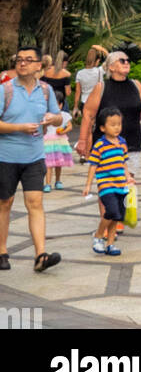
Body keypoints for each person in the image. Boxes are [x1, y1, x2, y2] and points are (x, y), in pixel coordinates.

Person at [0, 43, 63, 272]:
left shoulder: (45, 91)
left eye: (28, 60)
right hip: (5, 157)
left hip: (35, 158)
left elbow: (59, 118)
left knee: (35, 203)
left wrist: (52, 119)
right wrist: (18, 128)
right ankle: (2, 252)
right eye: (19, 60)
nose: (22, 63)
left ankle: (40, 256)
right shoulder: (5, 90)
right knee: (4, 203)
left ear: (39, 65)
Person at [77, 50, 141, 186]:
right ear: (111, 67)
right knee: (107, 187)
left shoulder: (136, 85)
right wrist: (82, 140)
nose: (126, 62)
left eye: (128, 60)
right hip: (106, 146)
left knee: (127, 185)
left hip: (131, 145)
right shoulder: (101, 87)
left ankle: (121, 208)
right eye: (122, 60)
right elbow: (88, 115)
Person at [84, 106, 132, 257]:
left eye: (119, 124)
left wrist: (128, 176)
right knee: (111, 211)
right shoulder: (100, 145)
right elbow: (93, 166)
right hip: (106, 186)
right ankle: (98, 236)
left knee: (117, 216)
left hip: (121, 185)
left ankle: (110, 244)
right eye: (113, 124)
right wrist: (88, 185)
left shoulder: (122, 142)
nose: (117, 127)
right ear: (103, 128)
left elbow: (123, 162)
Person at [39, 53, 74, 190]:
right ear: (65, 61)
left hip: (46, 102)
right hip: (60, 102)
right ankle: (55, 181)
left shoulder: (46, 72)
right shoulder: (66, 74)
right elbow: (68, 92)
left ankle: (49, 182)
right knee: (62, 121)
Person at [73, 45, 106, 122]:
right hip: (98, 102)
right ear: (97, 61)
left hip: (85, 103)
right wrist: (102, 49)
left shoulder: (80, 73)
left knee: (87, 127)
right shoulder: (99, 71)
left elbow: (78, 92)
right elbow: (111, 60)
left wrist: (75, 107)